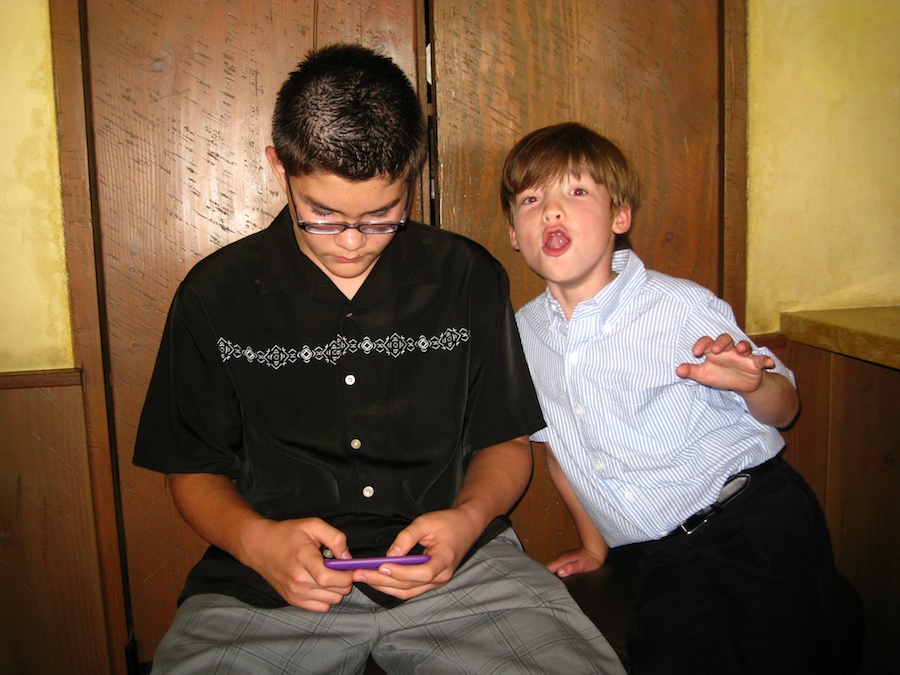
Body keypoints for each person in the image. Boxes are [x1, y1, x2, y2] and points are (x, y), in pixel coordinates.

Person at [133, 46, 624, 674]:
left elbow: (504, 441)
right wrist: (258, 542)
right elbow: (191, 467)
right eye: (323, 214)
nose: (351, 242)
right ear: (279, 166)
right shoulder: (214, 295)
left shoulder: (467, 277)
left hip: (464, 569)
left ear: (412, 177)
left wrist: (467, 521)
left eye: (381, 215)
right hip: (264, 583)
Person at [501, 122, 842, 674]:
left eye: (577, 191)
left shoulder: (677, 306)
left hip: (754, 513)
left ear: (620, 216)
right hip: (662, 549)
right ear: (514, 233)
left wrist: (755, 384)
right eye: (531, 199)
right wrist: (593, 547)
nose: (552, 211)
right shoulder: (523, 336)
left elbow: (787, 408)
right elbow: (561, 450)